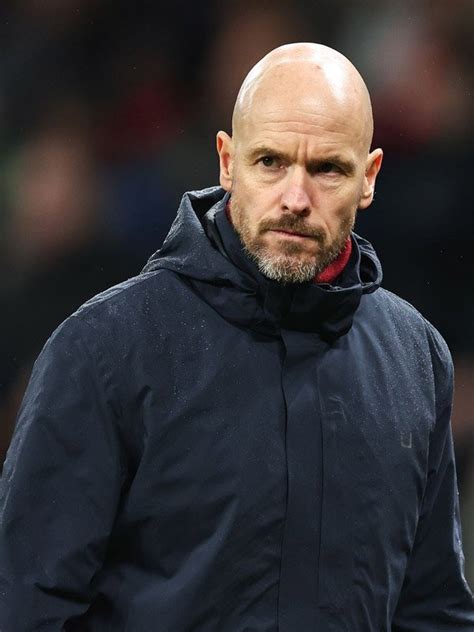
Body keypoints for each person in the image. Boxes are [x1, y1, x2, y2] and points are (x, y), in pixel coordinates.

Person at [0, 42, 472, 631]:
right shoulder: (103, 351)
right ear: (227, 162)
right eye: (271, 161)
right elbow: (29, 607)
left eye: (328, 169)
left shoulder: (415, 360)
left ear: (369, 177)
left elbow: (432, 612)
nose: (295, 199)